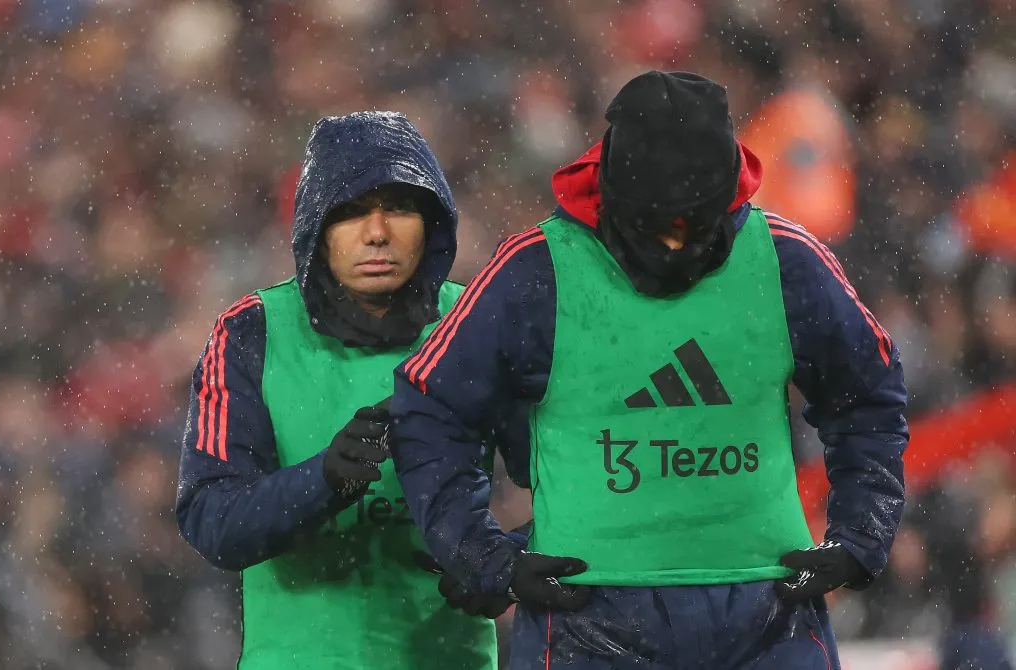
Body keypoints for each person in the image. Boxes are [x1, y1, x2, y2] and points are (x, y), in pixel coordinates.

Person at [389, 71, 909, 669]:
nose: (674, 247)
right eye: (656, 225)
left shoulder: (786, 261)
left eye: (694, 224)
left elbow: (869, 395)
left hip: (766, 617)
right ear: (611, 191)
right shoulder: (536, 272)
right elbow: (428, 408)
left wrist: (857, 540)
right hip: (591, 624)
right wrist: (484, 557)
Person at [175, 111, 502, 670]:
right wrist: (324, 479)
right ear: (315, 227)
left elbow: (576, 476)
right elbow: (212, 521)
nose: (377, 232)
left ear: (432, 221)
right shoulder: (251, 331)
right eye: (349, 211)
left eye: (398, 207)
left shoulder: (479, 322)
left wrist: (509, 561)